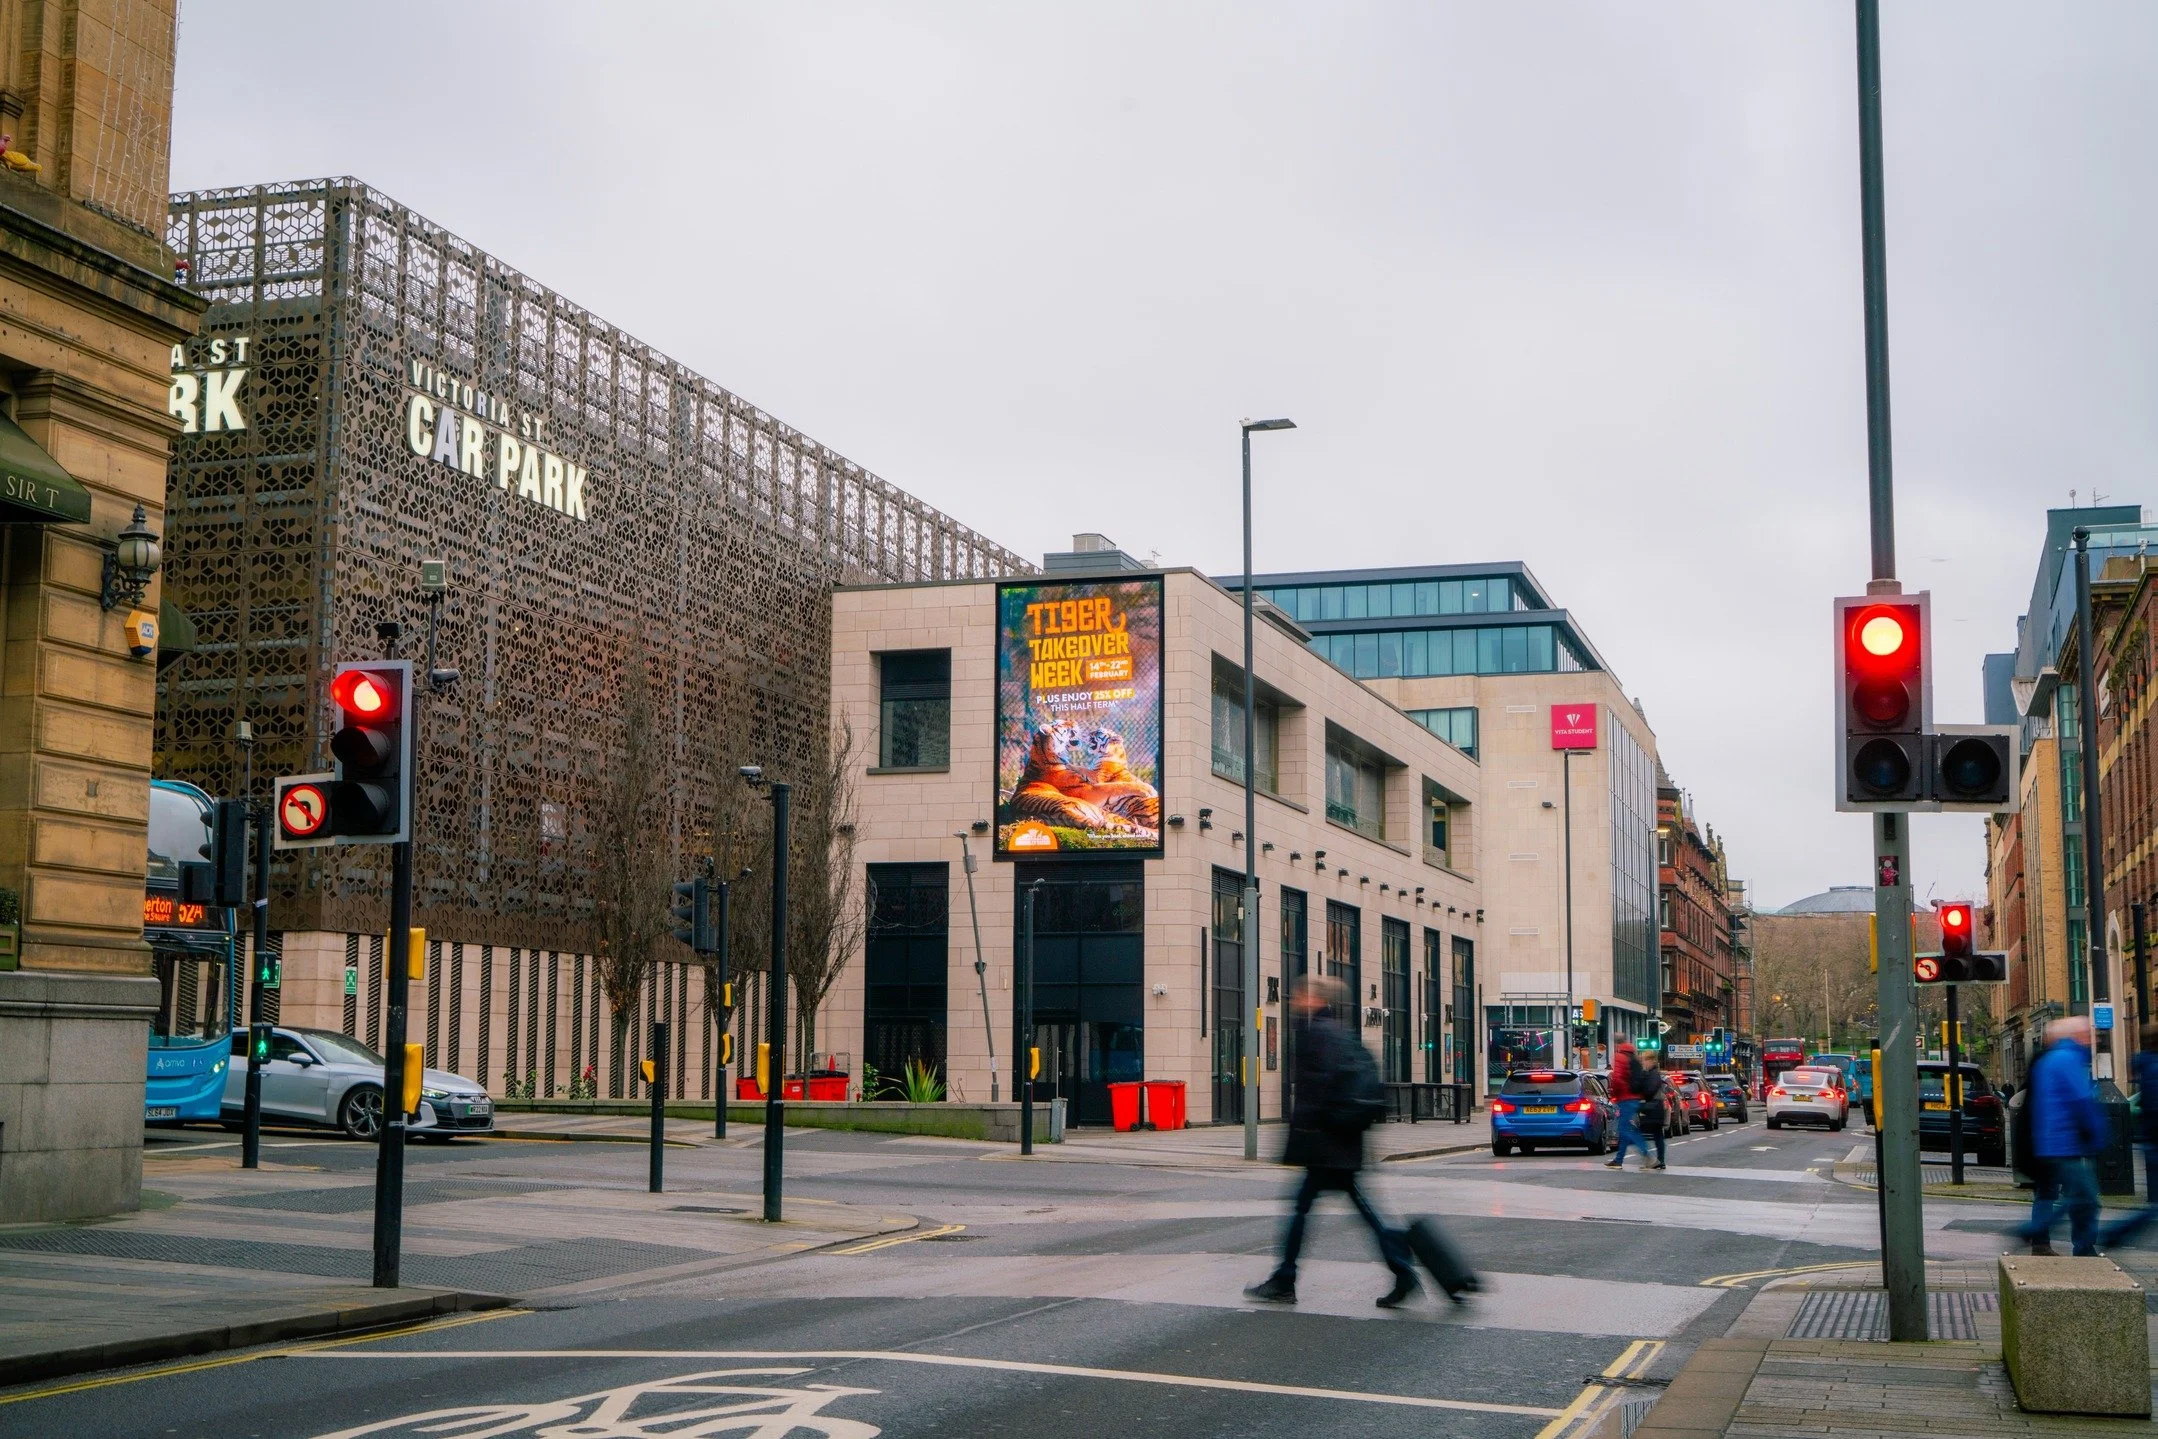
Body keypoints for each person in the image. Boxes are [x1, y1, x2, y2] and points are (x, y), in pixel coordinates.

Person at [1245, 976, 1420, 1308]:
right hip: (1340, 1143)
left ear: (1314, 999)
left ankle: (1285, 1279)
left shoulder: (1320, 1034)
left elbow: (1319, 1089)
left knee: (1303, 1210)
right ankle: (1401, 1270)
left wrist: (1307, 1132)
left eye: (1299, 996)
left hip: (1325, 1144)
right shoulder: (1338, 1031)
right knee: (1359, 1211)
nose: (1294, 1001)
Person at [2015, 1016, 2105, 1257]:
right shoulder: (2067, 1059)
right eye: (2088, 1034)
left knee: (2052, 1194)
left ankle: (2040, 1238)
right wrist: (2096, 1136)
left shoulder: (2049, 1059)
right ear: (2076, 1036)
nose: (2092, 1039)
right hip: (2064, 1143)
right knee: (2085, 1197)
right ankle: (2081, 1248)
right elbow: (2081, 1101)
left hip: (2047, 1142)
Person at [2098, 1023, 2158, 1249]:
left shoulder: (2145, 1064)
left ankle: (2116, 1234)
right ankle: (2116, 1234)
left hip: (2150, 1140)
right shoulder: (2154, 1067)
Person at [1606, 1040, 1647, 1170]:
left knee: (1624, 1129)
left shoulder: (1620, 1057)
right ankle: (1618, 1160)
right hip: (1634, 1098)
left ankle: (1647, 1154)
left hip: (1625, 1098)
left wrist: (1614, 1093)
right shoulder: (1633, 1059)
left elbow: (1617, 1078)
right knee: (1626, 1130)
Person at [1635, 1051, 1669, 1171]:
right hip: (1655, 1108)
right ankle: (1659, 1160)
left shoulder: (1653, 1074)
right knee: (1657, 1135)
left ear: (1650, 1061)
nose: (1643, 1063)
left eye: (1644, 1060)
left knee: (1641, 1134)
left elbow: (1649, 1091)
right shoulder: (1652, 1073)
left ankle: (1654, 1160)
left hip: (1652, 1109)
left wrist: (1642, 1090)